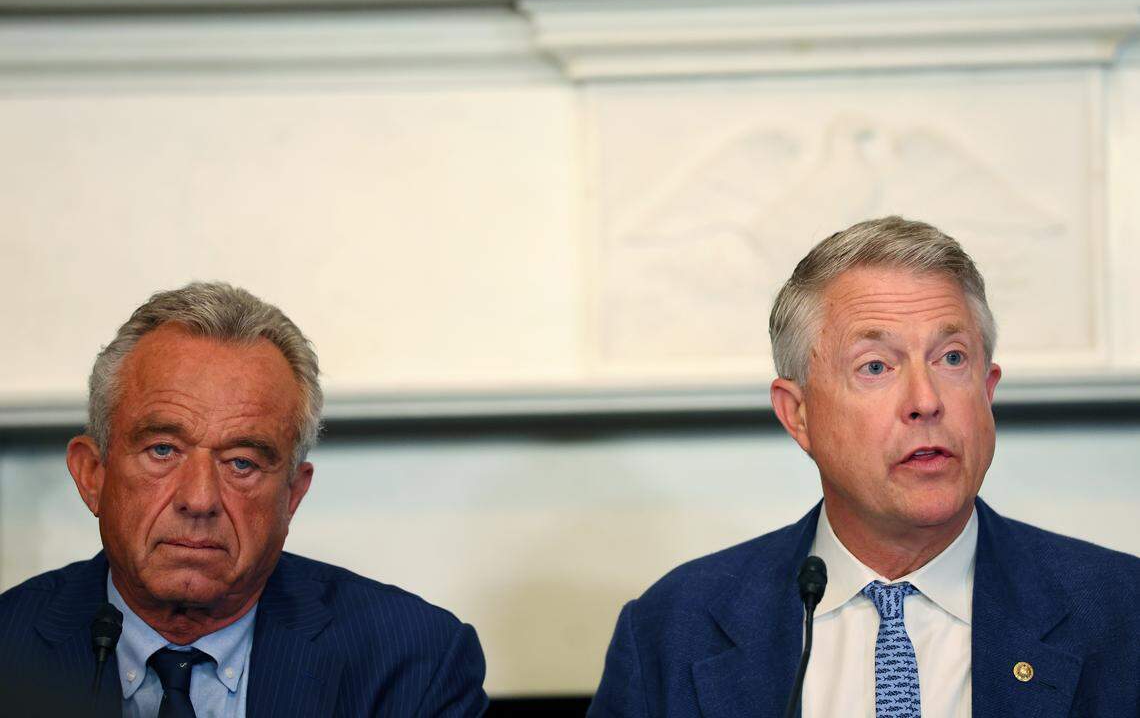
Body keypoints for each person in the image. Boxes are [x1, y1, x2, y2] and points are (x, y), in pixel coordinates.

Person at [589, 217, 1139, 717]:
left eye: (952, 358)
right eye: (875, 366)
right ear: (798, 414)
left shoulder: (1122, 615)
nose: (925, 400)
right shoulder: (674, 628)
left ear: (987, 390)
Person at [0, 282, 488, 717]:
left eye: (242, 463)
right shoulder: (8, 650)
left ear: (293, 494)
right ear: (92, 475)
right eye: (163, 450)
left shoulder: (411, 664)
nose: (199, 499)